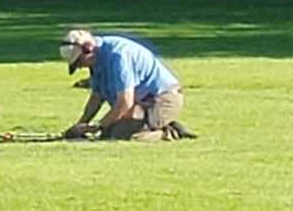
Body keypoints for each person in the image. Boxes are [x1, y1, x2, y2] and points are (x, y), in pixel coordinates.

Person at [59, 28, 193, 141]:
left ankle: (170, 132)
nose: (81, 67)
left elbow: (125, 102)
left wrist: (97, 126)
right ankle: (155, 125)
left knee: (126, 136)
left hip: (162, 99)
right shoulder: (97, 61)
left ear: (88, 50)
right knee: (108, 134)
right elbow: (97, 97)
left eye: (79, 62)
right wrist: (81, 125)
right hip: (140, 102)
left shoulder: (119, 56)